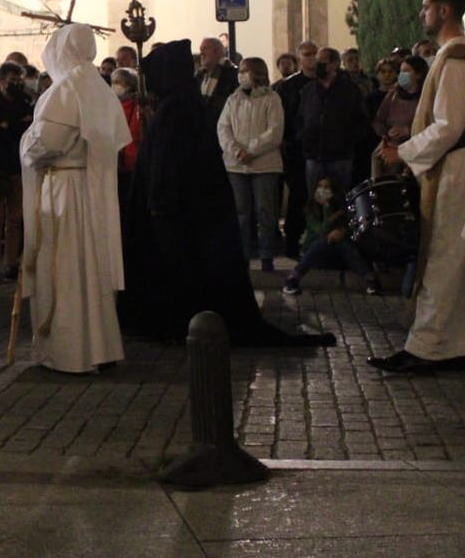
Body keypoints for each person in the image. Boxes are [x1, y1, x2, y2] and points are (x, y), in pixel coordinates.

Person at [130, 40, 333, 347]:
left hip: (181, 213)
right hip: (187, 209)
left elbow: (170, 166)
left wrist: (160, 204)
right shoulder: (182, 104)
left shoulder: (179, 110)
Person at [370, 0, 465, 372]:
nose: (422, 13)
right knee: (464, 256)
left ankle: (428, 347)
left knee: (445, 254)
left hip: (458, 167)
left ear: (444, 10)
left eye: (427, 6)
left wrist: (403, 153)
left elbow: (449, 125)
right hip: (460, 163)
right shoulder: (454, 55)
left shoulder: (457, 59)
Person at [20, 24, 132, 373]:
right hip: (89, 189)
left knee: (66, 270)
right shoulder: (99, 88)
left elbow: (44, 144)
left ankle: (71, 352)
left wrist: (24, 143)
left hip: (65, 191)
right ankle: (100, 346)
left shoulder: (65, 90)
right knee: (89, 269)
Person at [217, 56, 284, 270]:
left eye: (246, 70)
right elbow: (223, 128)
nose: (241, 74)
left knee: (265, 211)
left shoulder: (271, 98)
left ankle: (266, 255)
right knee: (240, 212)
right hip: (235, 165)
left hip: (264, 164)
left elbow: (274, 131)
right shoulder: (233, 99)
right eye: (241, 70)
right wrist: (236, 150)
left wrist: (251, 150)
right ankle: (242, 255)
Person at [0, 62, 33, 282]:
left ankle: (11, 262)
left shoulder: (25, 101)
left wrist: (8, 126)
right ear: (0, 80)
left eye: (20, 79)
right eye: (13, 79)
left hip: (18, 166)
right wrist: (15, 126)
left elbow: (28, 131)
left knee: (15, 219)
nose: (17, 83)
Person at [281, 174, 380, 296]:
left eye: (326, 187)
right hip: (315, 253)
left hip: (339, 254)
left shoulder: (342, 209)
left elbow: (351, 228)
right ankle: (293, 279)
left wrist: (342, 232)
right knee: (325, 241)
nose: (322, 190)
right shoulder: (310, 210)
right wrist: (327, 210)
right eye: (320, 186)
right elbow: (321, 230)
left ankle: (371, 280)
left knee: (340, 242)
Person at [297, 46, 368, 197]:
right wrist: (304, 138)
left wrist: (347, 141)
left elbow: (361, 120)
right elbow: (302, 117)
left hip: (340, 156)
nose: (317, 65)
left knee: (340, 199)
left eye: (322, 61)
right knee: (314, 202)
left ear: (335, 64)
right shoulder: (309, 89)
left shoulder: (350, 90)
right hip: (314, 155)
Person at [274, 43, 315, 258]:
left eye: (314, 54)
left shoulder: (325, 82)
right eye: (307, 55)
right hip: (295, 150)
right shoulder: (288, 86)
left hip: (319, 150)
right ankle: (292, 242)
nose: (312, 59)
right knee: (297, 196)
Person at [372, 56, 428, 175]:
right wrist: (387, 133)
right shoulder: (394, 94)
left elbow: (428, 124)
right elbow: (379, 119)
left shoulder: (425, 98)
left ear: (418, 74)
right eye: (401, 71)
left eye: (406, 71)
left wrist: (407, 131)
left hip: (414, 146)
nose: (402, 75)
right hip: (390, 143)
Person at [196, 37, 239, 124]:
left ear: (217, 51)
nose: (201, 53)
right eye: (201, 50)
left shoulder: (232, 73)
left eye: (205, 49)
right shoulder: (199, 75)